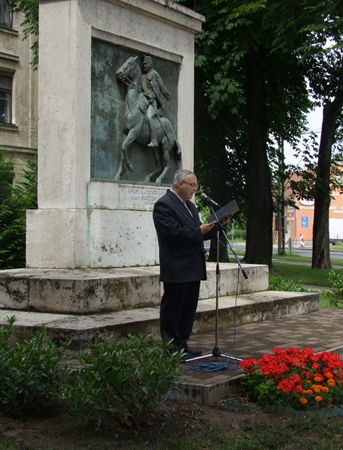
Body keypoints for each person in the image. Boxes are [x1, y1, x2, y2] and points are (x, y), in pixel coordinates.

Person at [153, 169, 223, 358]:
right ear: (180, 184)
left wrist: (216, 227)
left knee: (188, 308)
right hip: (177, 266)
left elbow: (196, 234)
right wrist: (199, 231)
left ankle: (183, 343)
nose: (195, 189)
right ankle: (171, 346)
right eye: (192, 185)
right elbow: (172, 233)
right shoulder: (164, 204)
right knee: (173, 308)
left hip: (193, 265)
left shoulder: (190, 206)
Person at [141, 55, 171, 148]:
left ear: (150, 64)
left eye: (146, 64)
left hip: (152, 102)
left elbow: (159, 89)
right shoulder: (142, 77)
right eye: (143, 64)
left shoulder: (154, 74)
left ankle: (154, 140)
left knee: (149, 117)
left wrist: (153, 95)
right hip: (143, 100)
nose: (144, 66)